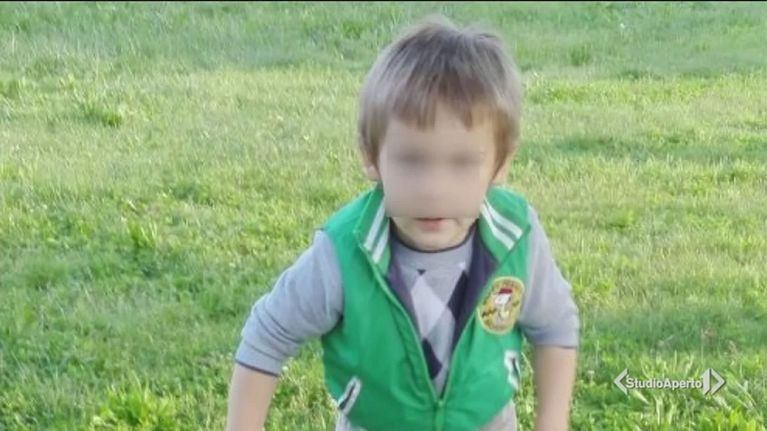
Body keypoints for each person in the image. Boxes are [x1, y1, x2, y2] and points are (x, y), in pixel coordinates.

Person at [226, 13, 579, 431]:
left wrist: (552, 423)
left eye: (463, 162)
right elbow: (268, 335)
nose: (434, 189)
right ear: (371, 157)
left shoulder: (516, 239)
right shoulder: (345, 252)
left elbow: (555, 327)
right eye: (412, 160)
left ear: (501, 164)